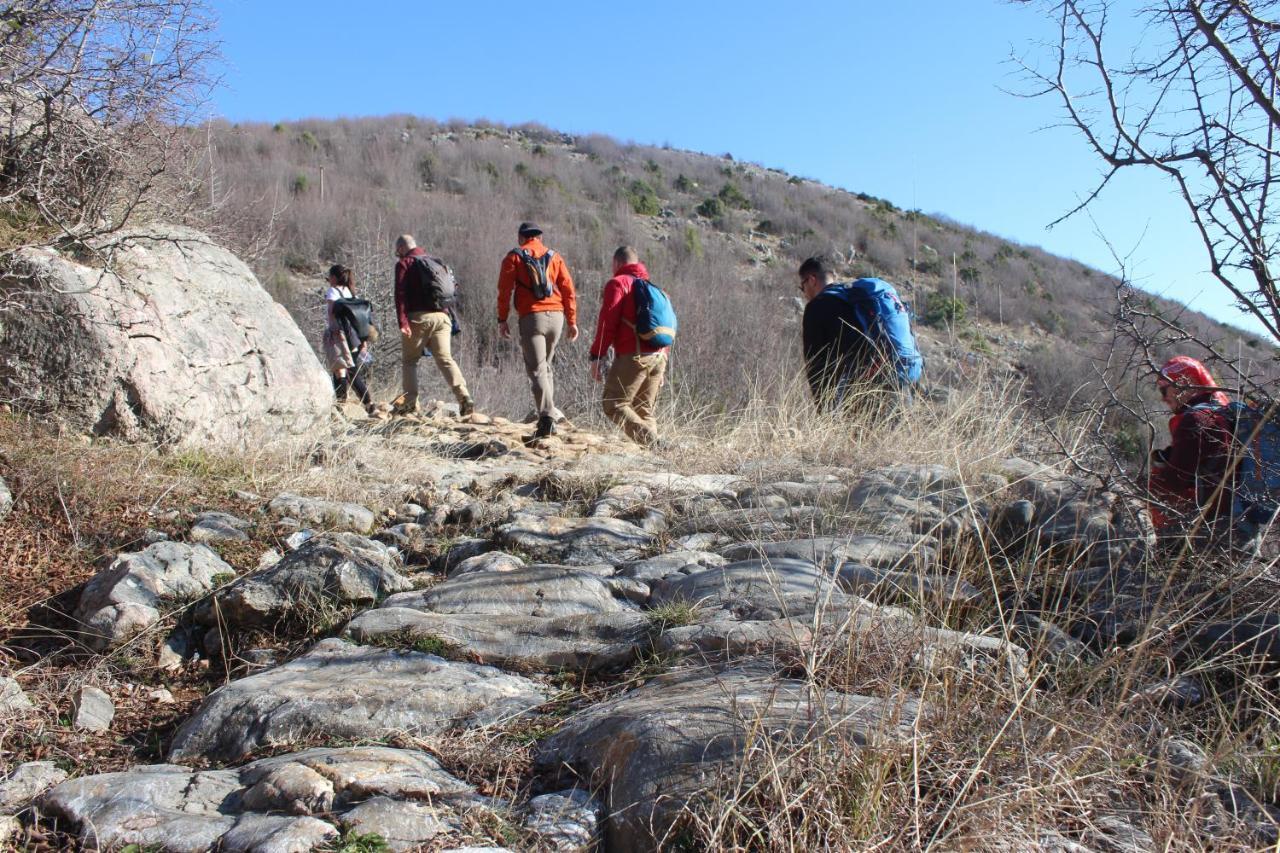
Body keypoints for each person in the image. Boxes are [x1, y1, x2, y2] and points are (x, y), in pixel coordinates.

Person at [797, 256, 923, 412]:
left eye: (802, 287)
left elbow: (815, 364)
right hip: (902, 383)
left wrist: (823, 410)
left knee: (864, 436)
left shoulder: (817, 307)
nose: (804, 294)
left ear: (811, 280)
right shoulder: (855, 299)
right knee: (898, 436)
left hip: (866, 389)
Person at [497, 222, 578, 438]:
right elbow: (568, 288)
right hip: (557, 317)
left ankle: (547, 418)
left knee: (537, 369)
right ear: (539, 237)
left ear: (521, 237)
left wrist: (502, 319)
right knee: (546, 367)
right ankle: (549, 417)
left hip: (532, 317)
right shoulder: (554, 256)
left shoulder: (514, 257)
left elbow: (504, 291)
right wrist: (572, 320)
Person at [1149, 355, 1239, 542]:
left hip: (1210, 534)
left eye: (1164, 390)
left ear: (1184, 382)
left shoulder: (1197, 419)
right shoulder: (1221, 413)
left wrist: (1140, 486)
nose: (1163, 398)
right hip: (1237, 527)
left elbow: (1174, 482)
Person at [589, 246, 668, 447]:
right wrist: (663, 362)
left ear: (617, 263)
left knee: (613, 404)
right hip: (659, 356)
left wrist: (597, 356)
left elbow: (607, 323)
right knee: (643, 409)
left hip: (634, 356)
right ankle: (657, 460)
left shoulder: (618, 284)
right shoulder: (655, 288)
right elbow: (664, 327)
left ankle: (654, 444)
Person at [394, 234, 474, 416]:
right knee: (445, 358)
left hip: (418, 319)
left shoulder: (404, 263)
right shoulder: (435, 261)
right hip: (443, 318)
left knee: (409, 361)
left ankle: (410, 402)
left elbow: (399, 294)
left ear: (400, 249)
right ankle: (464, 396)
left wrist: (403, 321)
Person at [321, 264, 374, 413]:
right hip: (355, 338)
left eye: (329, 278)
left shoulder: (333, 291)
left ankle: (342, 407)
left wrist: (331, 335)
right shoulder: (352, 294)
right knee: (349, 371)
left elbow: (331, 314)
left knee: (341, 370)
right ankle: (367, 404)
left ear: (333, 277)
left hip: (339, 336)